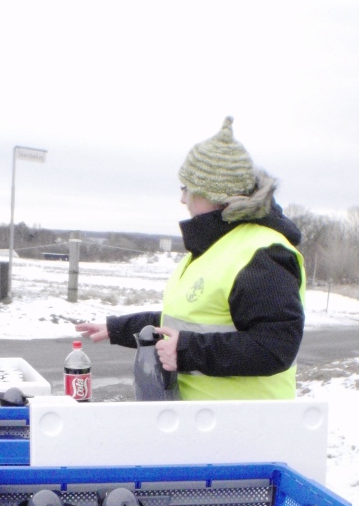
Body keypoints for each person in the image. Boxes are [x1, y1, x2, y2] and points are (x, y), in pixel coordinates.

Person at [76, 117, 306, 401]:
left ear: (214, 194)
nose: (182, 199)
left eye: (186, 188)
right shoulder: (213, 248)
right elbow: (181, 323)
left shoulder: (262, 255)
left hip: (245, 428)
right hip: (203, 424)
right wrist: (116, 329)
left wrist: (185, 350)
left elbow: (275, 347)